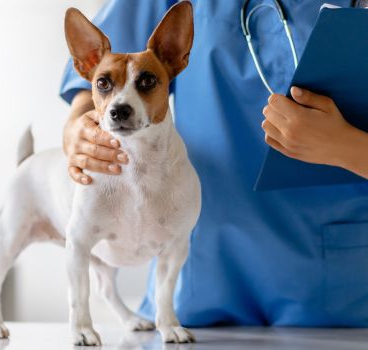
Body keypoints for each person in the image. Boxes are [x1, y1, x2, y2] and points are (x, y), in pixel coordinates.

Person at [59, 0, 368, 326]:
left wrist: (349, 148)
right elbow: (101, 76)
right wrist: (78, 128)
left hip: (336, 287)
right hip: (199, 281)